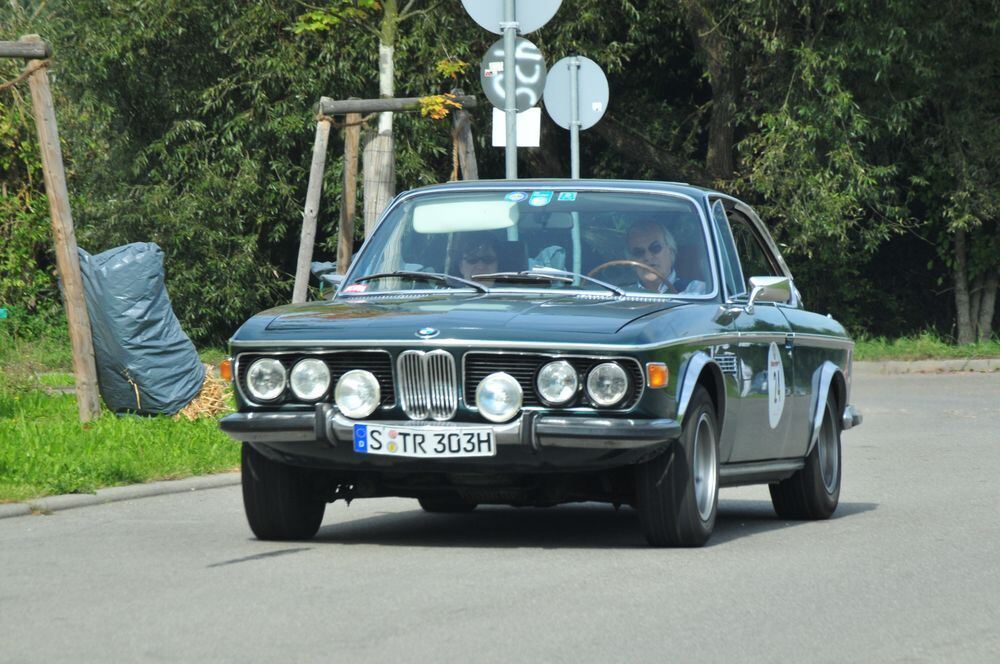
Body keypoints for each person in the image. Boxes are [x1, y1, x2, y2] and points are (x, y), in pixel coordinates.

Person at [626, 220, 707, 294]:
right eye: (638, 252)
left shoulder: (699, 292)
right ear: (631, 260)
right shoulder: (622, 296)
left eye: (655, 248)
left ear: (671, 251)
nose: (648, 257)